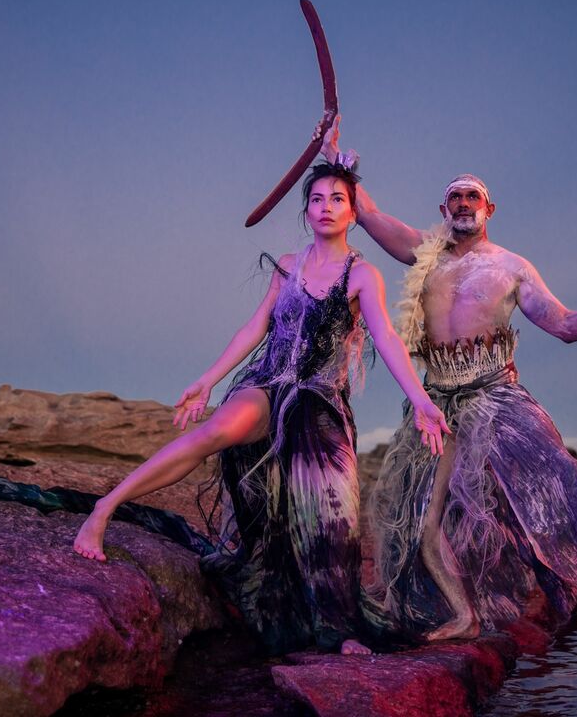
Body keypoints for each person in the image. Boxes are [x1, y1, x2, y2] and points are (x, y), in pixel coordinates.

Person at [73, 160, 449, 656]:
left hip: (319, 404)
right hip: (269, 386)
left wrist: (421, 399)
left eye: (338, 199)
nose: (326, 207)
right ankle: (104, 508)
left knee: (331, 520)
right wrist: (207, 381)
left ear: (354, 212)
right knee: (212, 432)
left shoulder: (363, 275)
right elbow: (254, 330)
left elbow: (387, 339)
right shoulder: (289, 266)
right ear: (306, 210)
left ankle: (340, 631)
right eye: (317, 199)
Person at [317, 117, 577, 643]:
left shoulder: (512, 267)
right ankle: (463, 615)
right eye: (455, 199)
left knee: (551, 499)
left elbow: (563, 324)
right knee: (421, 522)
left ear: (489, 209)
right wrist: (337, 164)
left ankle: (556, 596)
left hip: (497, 399)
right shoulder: (425, 252)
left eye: (473, 197)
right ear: (445, 211)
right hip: (437, 401)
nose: (464, 204)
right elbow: (368, 213)